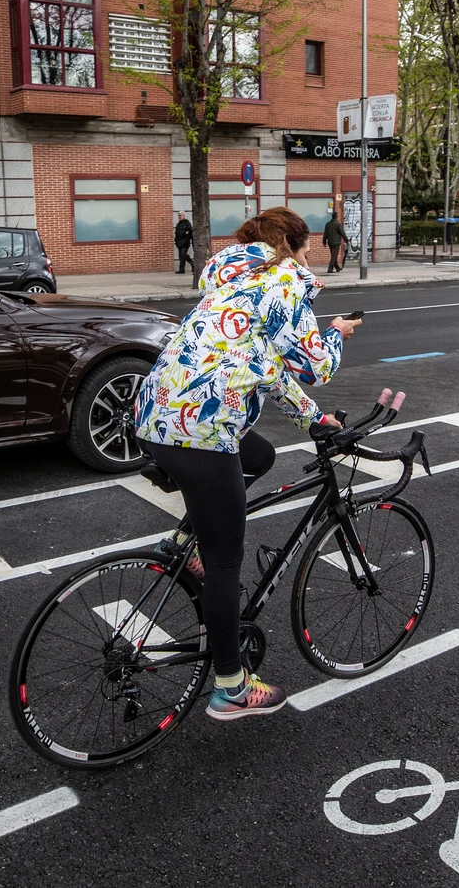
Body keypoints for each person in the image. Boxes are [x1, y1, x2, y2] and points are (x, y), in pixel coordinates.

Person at [134, 206, 359, 720]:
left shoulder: (234, 279)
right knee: (225, 563)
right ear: (298, 248)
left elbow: (264, 364)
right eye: (308, 251)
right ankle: (230, 687)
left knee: (259, 455)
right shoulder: (285, 284)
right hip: (200, 430)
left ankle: (178, 542)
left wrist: (312, 418)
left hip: (155, 416)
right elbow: (314, 365)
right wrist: (338, 334)